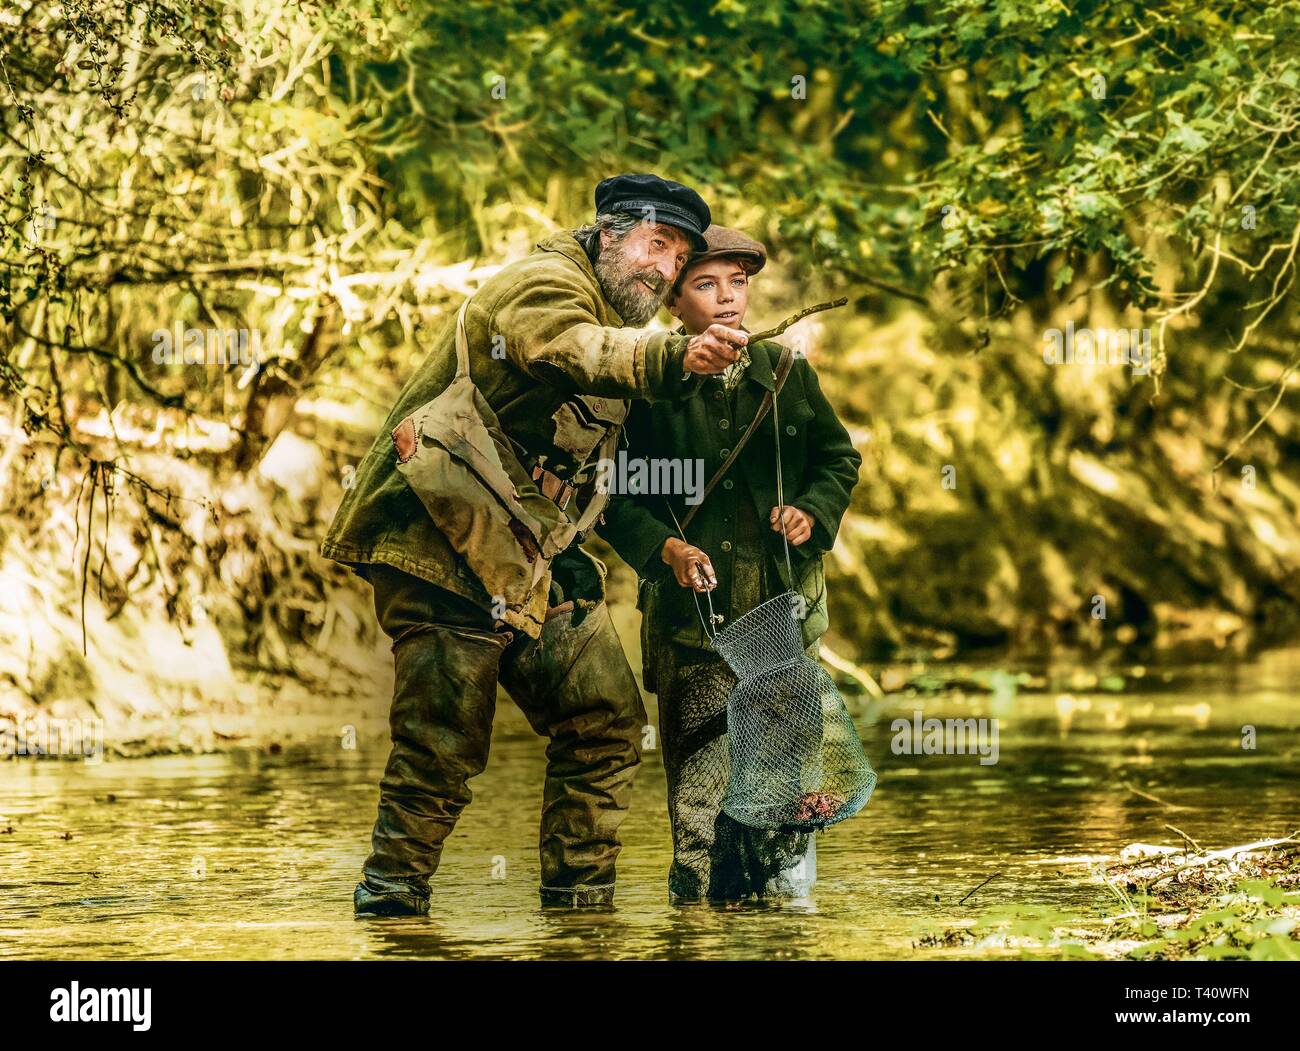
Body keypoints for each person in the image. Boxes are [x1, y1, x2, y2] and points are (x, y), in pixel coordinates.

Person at [321, 174, 750, 916]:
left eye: (676, 257)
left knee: (607, 722)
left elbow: (603, 479)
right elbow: (580, 350)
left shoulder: (619, 320)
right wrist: (675, 359)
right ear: (609, 234)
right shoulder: (543, 285)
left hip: (526, 552)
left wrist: (663, 550)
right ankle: (390, 909)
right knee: (441, 746)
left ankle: (579, 917)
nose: (663, 267)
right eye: (656, 244)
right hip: (436, 531)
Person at [598, 224, 861, 903]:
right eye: (705, 285)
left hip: (782, 620)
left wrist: (811, 512)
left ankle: (781, 929)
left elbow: (839, 459)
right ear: (673, 301)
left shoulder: (786, 373)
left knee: (782, 810)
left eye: (737, 283)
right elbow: (615, 497)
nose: (726, 299)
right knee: (701, 812)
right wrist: (669, 549)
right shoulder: (648, 388)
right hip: (692, 630)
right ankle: (699, 926)